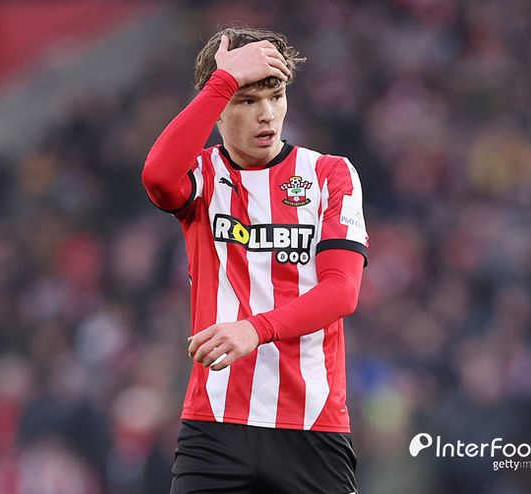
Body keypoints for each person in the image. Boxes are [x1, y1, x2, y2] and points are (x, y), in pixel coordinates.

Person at [142, 26, 368, 494]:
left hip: (312, 428)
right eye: (246, 101)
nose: (267, 114)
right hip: (215, 425)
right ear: (217, 110)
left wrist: (254, 329)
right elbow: (158, 179)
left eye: (275, 96)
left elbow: (342, 292)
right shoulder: (202, 175)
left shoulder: (330, 174)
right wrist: (222, 81)